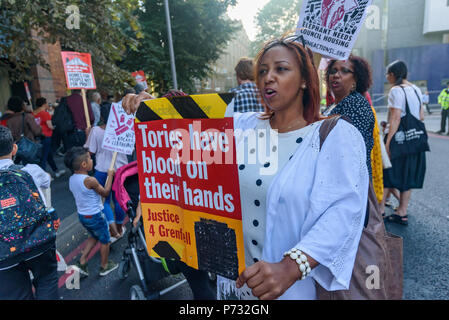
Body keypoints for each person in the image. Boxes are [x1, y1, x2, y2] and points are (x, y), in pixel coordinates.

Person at [123, 35, 369, 300]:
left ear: (305, 80)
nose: (268, 77)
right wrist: (153, 106)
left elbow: (344, 211)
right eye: (262, 71)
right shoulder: (242, 127)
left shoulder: (335, 135)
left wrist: (292, 266)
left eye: (281, 69)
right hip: (232, 288)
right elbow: (187, 130)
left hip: (288, 290)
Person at [0, 126, 59, 300]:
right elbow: (46, 181)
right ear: (14, 148)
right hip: (38, 240)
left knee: (16, 294)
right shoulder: (31, 170)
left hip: (4, 252)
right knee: (47, 282)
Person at [381, 60, 426, 226]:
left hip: (398, 138)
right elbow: (421, 116)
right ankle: (402, 212)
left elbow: (396, 118)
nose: (387, 77)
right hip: (415, 139)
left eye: (387, 74)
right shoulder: (415, 89)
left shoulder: (396, 91)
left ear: (393, 74)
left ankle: (380, 211)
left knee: (387, 173)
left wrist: (388, 142)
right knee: (408, 175)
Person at [64, 147, 118, 276]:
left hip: (83, 216)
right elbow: (105, 192)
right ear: (84, 164)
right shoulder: (90, 180)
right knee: (105, 240)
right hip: (95, 216)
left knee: (94, 236)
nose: (91, 160)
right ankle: (104, 266)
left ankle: (82, 261)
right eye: (89, 158)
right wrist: (110, 176)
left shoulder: (72, 179)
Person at [323, 55, 375, 179]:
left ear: (356, 80)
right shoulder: (332, 106)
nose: (336, 75)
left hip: (349, 180)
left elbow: (349, 150)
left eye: (345, 71)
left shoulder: (356, 104)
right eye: (333, 71)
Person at [84, 104, 128, 240]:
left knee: (104, 201)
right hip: (120, 170)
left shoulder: (96, 131)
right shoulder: (125, 130)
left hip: (102, 170)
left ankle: (113, 228)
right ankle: (119, 227)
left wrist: (88, 134)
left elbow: (90, 151)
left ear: (102, 116)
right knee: (120, 200)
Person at [33, 97, 66, 178]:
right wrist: (55, 127)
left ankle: (56, 171)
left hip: (39, 136)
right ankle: (43, 177)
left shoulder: (34, 113)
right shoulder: (45, 113)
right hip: (47, 136)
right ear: (44, 104)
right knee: (44, 157)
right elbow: (50, 126)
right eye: (47, 103)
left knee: (48, 155)